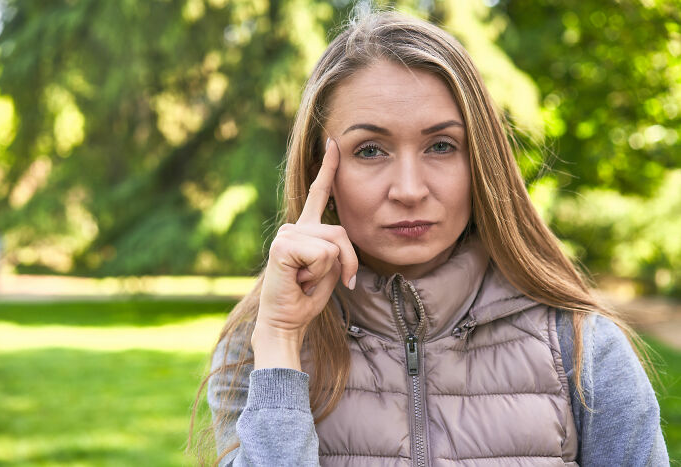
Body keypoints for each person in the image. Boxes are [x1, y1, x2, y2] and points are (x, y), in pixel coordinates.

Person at [191, 10, 670, 466]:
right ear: (321, 171)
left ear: (479, 161)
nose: (409, 190)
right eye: (370, 150)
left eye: (441, 146)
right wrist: (279, 341)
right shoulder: (257, 348)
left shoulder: (582, 347)